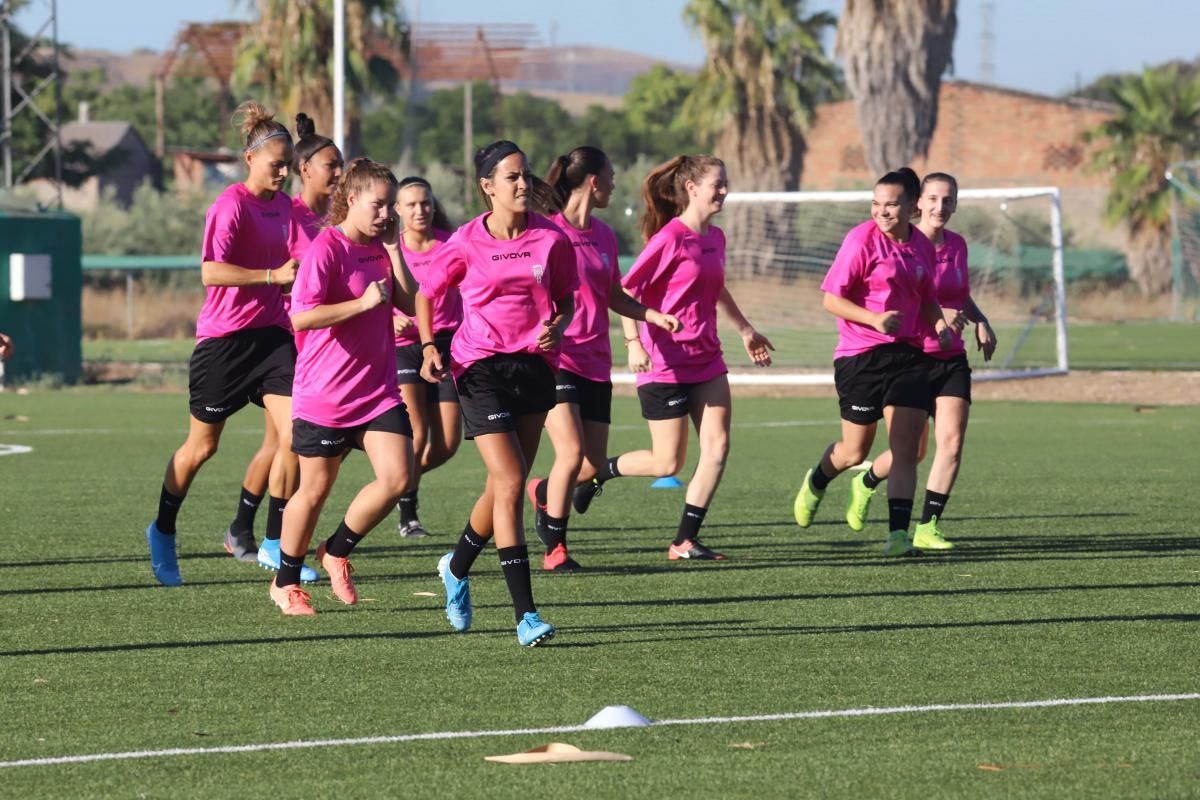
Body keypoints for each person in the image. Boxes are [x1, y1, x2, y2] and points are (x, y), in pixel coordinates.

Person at [577, 154, 774, 561]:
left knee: (717, 448)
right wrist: (633, 343)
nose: (723, 190)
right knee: (667, 463)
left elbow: (716, 288)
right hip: (664, 363)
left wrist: (746, 330)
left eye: (725, 183)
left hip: (707, 359)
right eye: (716, 183)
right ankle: (601, 473)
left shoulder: (715, 238)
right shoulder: (669, 238)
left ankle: (684, 539)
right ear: (692, 188)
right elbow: (624, 293)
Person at [418, 140, 576, 647]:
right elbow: (427, 294)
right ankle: (526, 615)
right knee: (509, 481)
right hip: (478, 365)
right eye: (511, 177)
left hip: (533, 367)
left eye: (525, 175)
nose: (523, 184)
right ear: (488, 187)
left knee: (504, 485)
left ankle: (456, 565)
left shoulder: (552, 240)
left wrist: (556, 326)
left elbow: (567, 301)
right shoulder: (465, 241)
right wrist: (427, 346)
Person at [145, 101, 299, 586]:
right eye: (277, 164)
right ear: (250, 158)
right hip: (225, 342)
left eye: (288, 166)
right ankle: (163, 528)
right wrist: (273, 275)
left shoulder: (286, 207)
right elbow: (211, 272)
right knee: (201, 447)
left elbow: (307, 256)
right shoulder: (230, 205)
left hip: (273, 337)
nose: (283, 173)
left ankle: (275, 544)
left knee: (298, 434)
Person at [269, 158, 419, 615]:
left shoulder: (381, 246)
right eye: (378, 205)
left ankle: (335, 551)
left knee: (398, 477)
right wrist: (360, 305)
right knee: (314, 490)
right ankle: (285, 582)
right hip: (326, 394)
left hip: (377, 390)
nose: (386, 214)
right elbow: (299, 316)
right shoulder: (325, 250)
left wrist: (395, 251)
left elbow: (412, 302)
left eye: (390, 206)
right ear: (351, 200)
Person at [525, 146, 680, 571]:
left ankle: (542, 493)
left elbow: (613, 295)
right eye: (610, 176)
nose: (614, 184)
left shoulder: (606, 235)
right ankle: (555, 548)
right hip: (555, 359)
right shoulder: (546, 233)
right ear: (594, 182)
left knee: (592, 463)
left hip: (596, 360)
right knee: (571, 454)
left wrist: (652, 317)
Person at [792, 167, 955, 557]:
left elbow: (928, 296)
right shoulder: (859, 241)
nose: (881, 212)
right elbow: (831, 299)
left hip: (909, 355)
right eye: (876, 204)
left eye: (891, 205)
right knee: (854, 452)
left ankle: (898, 536)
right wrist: (874, 319)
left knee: (906, 448)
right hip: (860, 355)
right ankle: (817, 480)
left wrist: (939, 326)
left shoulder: (921, 247)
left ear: (912, 206)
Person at [845, 172, 997, 549]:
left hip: (950, 358)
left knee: (953, 441)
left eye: (947, 200)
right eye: (932, 199)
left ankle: (927, 527)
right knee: (910, 452)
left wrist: (980, 320)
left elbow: (959, 296)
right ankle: (865, 482)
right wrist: (937, 317)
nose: (940, 207)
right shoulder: (900, 246)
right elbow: (901, 302)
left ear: (956, 204)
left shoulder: (958, 246)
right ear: (917, 204)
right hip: (912, 356)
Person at [228, 113, 341, 582]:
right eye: (331, 165)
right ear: (304, 169)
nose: (338, 173)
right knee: (288, 443)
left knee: (281, 442)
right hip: (291, 337)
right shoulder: (289, 212)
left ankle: (243, 528)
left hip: (322, 341)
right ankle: (272, 541)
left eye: (342, 165)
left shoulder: (337, 217)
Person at [391, 176, 462, 538]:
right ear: (398, 210)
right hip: (405, 347)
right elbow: (376, 296)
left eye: (425, 203)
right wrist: (393, 319)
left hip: (449, 345)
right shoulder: (392, 250)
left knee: (447, 443)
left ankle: (397, 482)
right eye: (411, 204)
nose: (420, 210)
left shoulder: (453, 245)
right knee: (417, 434)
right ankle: (408, 513)